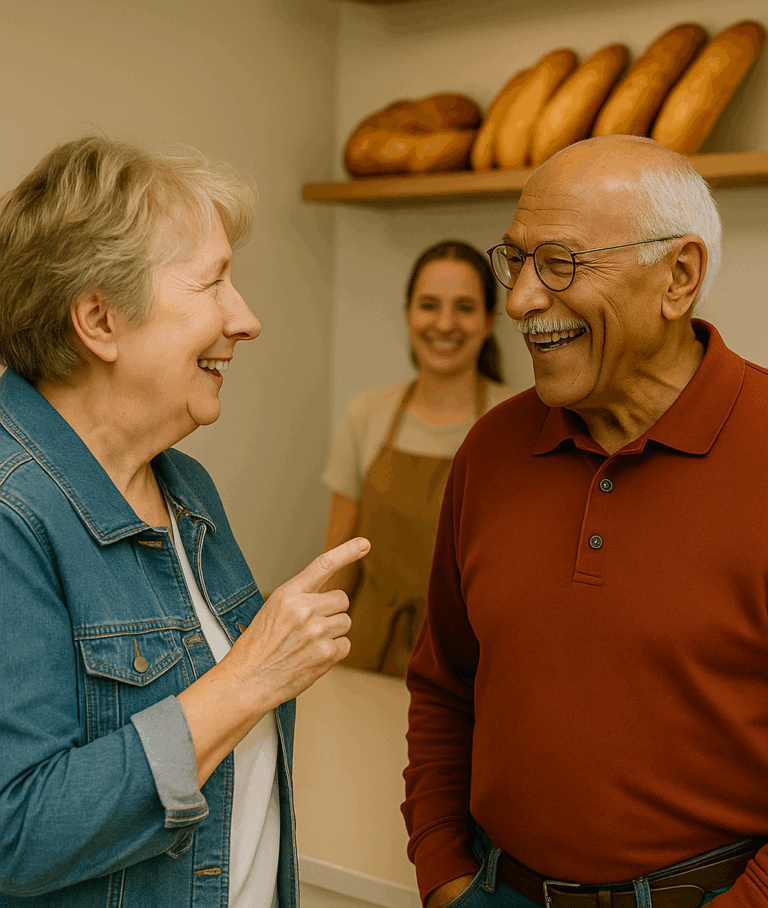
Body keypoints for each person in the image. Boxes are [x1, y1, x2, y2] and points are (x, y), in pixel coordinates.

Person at [0, 136, 369, 908]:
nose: (247, 320)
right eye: (213, 284)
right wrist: (249, 680)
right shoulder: (12, 516)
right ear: (99, 319)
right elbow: (18, 834)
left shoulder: (185, 486)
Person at [401, 135, 768, 908]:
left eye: (561, 263)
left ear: (680, 276)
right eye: (517, 260)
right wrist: (444, 873)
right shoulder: (491, 449)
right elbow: (444, 686)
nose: (521, 301)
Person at [322, 241, 514, 676]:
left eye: (464, 307)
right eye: (430, 305)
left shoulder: (515, 423)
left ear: (488, 322)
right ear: (409, 314)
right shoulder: (367, 414)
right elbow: (337, 559)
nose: (445, 324)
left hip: (465, 669)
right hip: (363, 656)